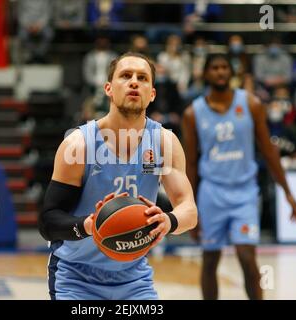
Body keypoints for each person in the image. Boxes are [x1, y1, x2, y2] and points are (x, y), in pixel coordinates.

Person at [39, 52, 198, 300]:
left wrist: (169, 221)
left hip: (134, 278)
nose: (134, 82)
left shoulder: (164, 142)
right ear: (108, 89)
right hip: (76, 277)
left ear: (152, 93)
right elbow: (48, 222)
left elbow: (189, 210)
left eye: (142, 78)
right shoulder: (79, 144)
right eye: (126, 76)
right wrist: (89, 225)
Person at [181, 54, 296, 300]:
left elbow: (268, 150)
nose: (220, 72)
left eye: (225, 67)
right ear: (205, 74)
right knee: (210, 258)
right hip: (211, 192)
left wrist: (287, 192)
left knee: (247, 256)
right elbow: (190, 163)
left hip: (244, 192)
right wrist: (188, 205)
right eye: (214, 67)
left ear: (231, 73)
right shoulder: (193, 113)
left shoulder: (251, 104)